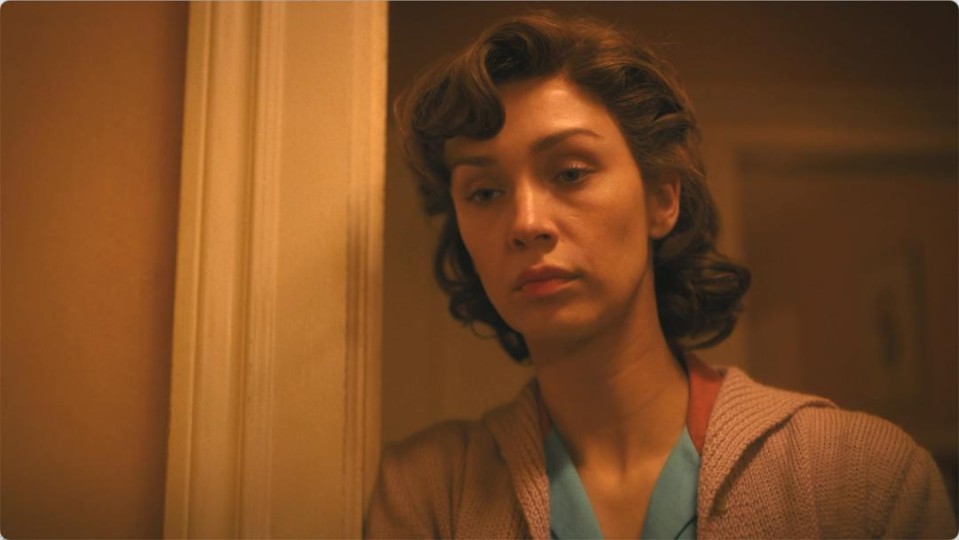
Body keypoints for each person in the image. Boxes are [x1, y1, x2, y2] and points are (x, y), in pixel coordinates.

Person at [366, 11, 956, 539]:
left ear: (662, 200)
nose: (525, 223)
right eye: (484, 192)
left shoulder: (860, 476)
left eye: (570, 172)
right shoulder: (426, 494)